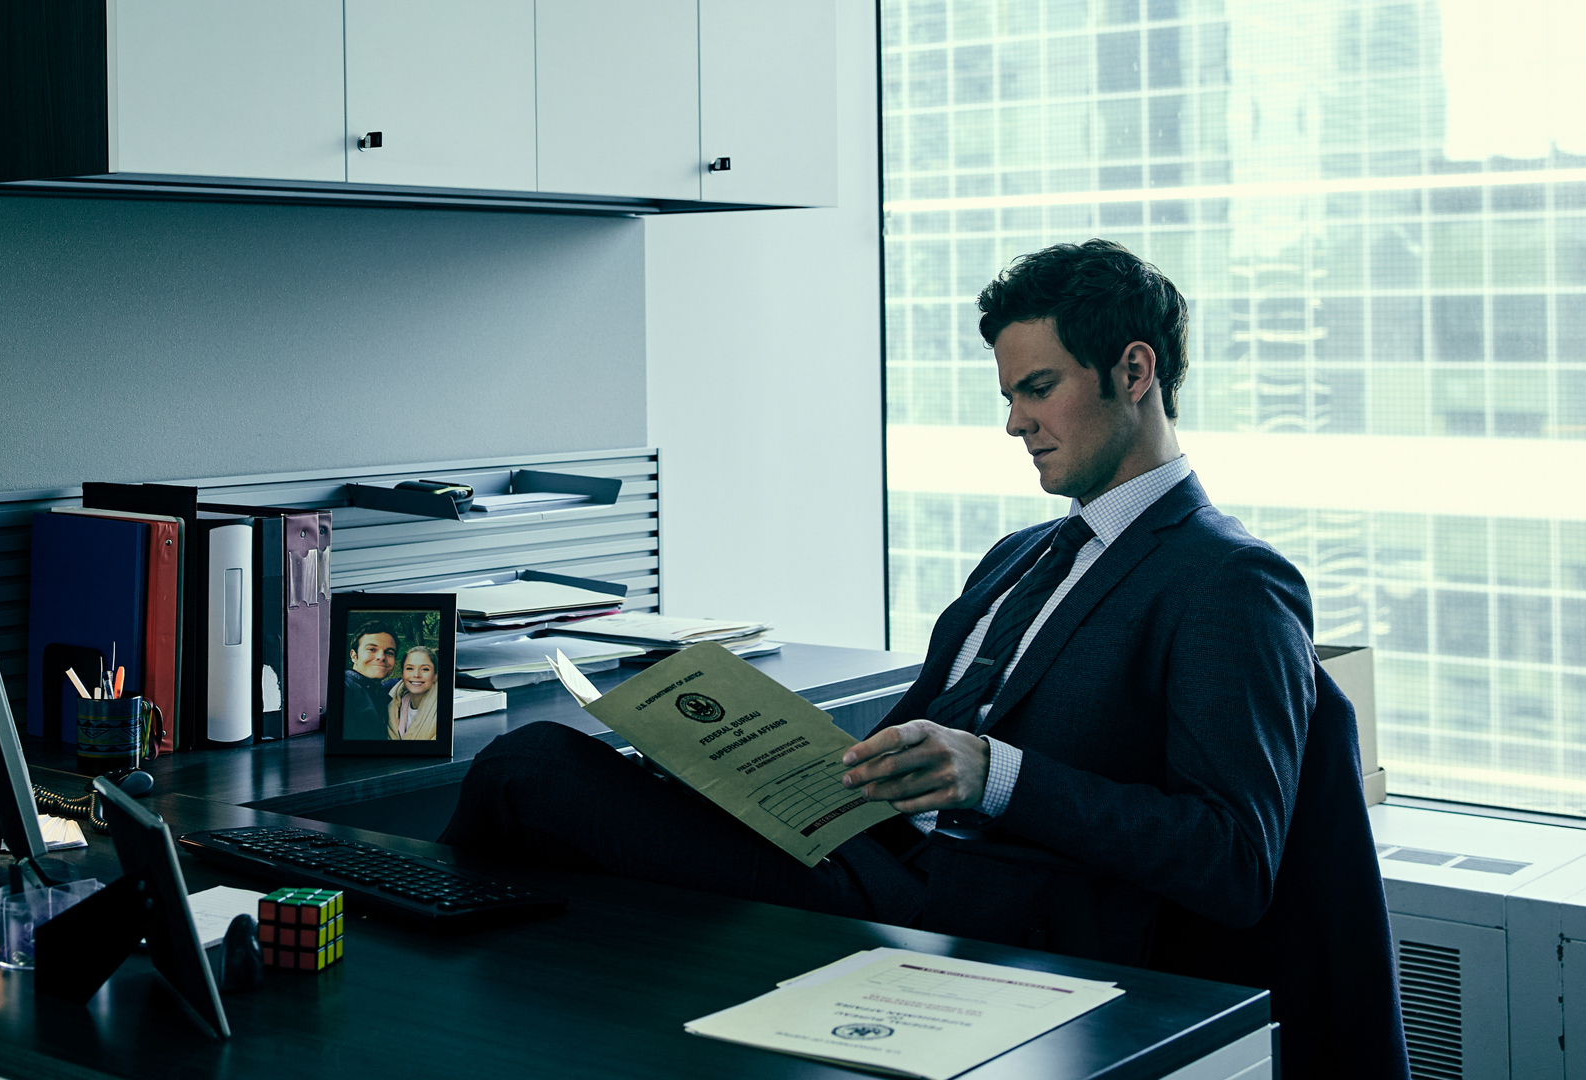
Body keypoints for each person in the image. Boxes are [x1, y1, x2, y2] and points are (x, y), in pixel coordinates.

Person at [440, 240, 1405, 1078]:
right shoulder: (1020, 556)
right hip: (873, 851)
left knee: (526, 772)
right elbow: (906, 740)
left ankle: (434, 1024)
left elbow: (1232, 859)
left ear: (1135, 370)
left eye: (1039, 388)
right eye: (1009, 395)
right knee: (557, 763)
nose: (1016, 422)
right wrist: (722, 767)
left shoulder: (1226, 581)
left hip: (999, 913)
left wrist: (999, 776)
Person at [341, 623, 399, 741]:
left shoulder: (379, 690)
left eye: (389, 652)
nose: (381, 656)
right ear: (354, 656)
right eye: (372, 649)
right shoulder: (346, 688)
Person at [386, 645, 439, 742]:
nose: (416, 675)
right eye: (410, 668)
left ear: (435, 676)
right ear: (402, 674)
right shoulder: (392, 702)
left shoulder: (443, 709)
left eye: (425, 669)